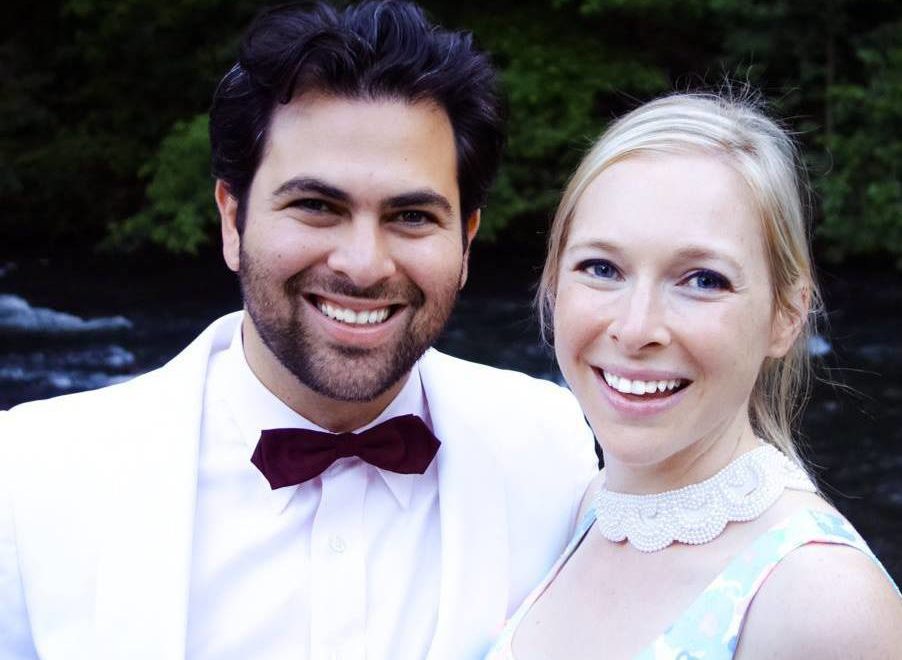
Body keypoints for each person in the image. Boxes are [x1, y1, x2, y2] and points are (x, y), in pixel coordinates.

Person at [0, 2, 598, 659]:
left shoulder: (552, 448)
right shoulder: (31, 475)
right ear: (233, 220)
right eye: (316, 206)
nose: (364, 264)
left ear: (466, 241)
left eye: (412, 216)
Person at [487, 92, 902, 659]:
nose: (635, 329)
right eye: (602, 268)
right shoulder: (579, 511)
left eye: (702, 280)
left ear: (787, 316)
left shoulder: (823, 603)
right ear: (555, 282)